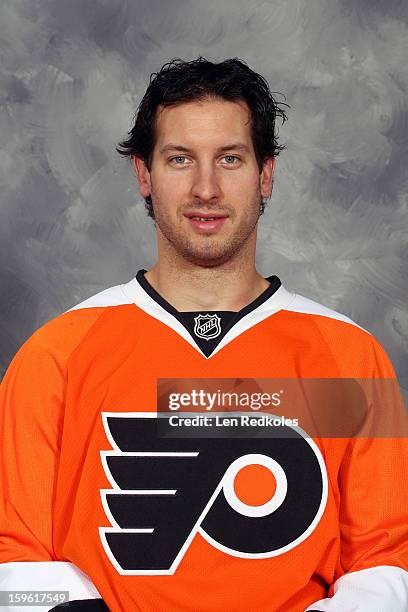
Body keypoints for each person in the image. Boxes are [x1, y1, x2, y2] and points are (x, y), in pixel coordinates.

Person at [0, 56, 407, 612]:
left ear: (266, 173)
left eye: (231, 159)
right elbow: (12, 562)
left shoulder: (349, 360)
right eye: (180, 159)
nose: (206, 188)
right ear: (144, 174)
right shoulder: (57, 357)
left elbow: (386, 561)